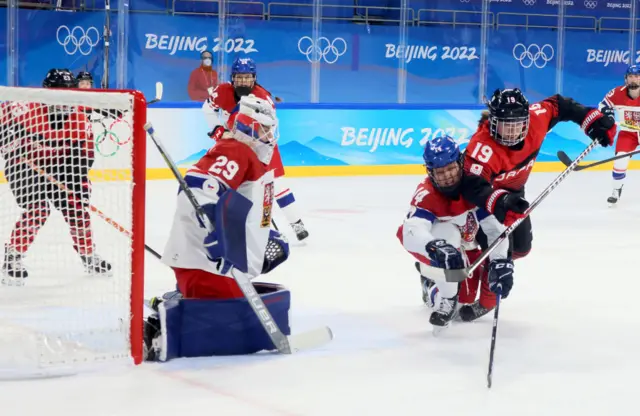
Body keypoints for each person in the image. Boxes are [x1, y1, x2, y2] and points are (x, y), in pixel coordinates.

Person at [143, 95, 291, 361]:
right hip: (207, 260)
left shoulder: (251, 157)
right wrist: (214, 236)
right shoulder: (236, 150)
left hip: (218, 261)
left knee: (235, 319)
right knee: (231, 327)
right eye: (266, 128)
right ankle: (158, 330)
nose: (270, 135)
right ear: (251, 126)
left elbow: (243, 209)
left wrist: (262, 239)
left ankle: (175, 305)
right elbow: (199, 189)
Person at [458, 88, 616, 321]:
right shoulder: (482, 147)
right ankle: (471, 292)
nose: (512, 132)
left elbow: (561, 104)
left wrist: (591, 120)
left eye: (517, 124)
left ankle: (484, 274)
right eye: (505, 125)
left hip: (514, 194)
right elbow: (472, 187)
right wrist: (500, 202)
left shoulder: (537, 119)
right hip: (485, 202)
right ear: (492, 122)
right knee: (490, 250)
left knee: (520, 249)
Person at [397, 135, 529, 330]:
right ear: (430, 172)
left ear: (460, 163)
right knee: (447, 238)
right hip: (438, 248)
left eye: (450, 168)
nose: (447, 175)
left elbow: (494, 229)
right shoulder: (427, 195)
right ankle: (438, 291)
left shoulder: (474, 185)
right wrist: (434, 247)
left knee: (479, 297)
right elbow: (411, 232)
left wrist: (501, 260)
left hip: (466, 244)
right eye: (440, 172)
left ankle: (448, 282)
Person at [0, 69, 111, 286]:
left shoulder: (80, 118)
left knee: (77, 207)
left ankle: (88, 255)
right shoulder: (23, 108)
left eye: (69, 91)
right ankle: (12, 257)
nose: (65, 96)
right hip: (24, 164)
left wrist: (77, 185)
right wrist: (6, 140)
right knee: (38, 209)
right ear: (47, 91)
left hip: (61, 165)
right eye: (59, 91)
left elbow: (84, 157)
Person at [203, 57, 309, 241]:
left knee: (276, 185)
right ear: (232, 78)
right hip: (235, 142)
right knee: (231, 184)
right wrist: (218, 131)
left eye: (247, 77)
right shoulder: (222, 91)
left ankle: (296, 223)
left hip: (262, 144)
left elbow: (269, 128)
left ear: (254, 78)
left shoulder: (263, 98)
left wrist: (256, 143)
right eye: (239, 77)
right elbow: (207, 108)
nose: (243, 81)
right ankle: (228, 225)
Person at [598, 64, 640, 205]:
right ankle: (616, 190)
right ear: (626, 79)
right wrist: (607, 116)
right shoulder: (617, 93)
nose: (634, 80)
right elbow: (603, 105)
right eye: (631, 76)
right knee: (619, 161)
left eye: (637, 76)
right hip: (628, 133)